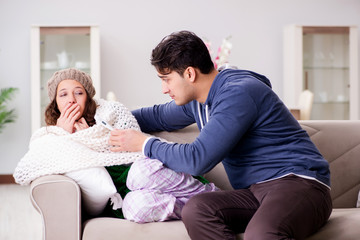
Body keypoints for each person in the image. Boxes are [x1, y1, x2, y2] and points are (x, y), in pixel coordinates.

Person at [109, 31, 332, 240]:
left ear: (189, 73)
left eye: (166, 79)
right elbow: (157, 116)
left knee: (262, 234)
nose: (164, 89)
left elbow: (197, 159)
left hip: (299, 185)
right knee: (198, 209)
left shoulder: (238, 93)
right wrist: (96, 115)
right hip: (255, 192)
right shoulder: (199, 102)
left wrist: (144, 144)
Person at [14, 68, 218, 222]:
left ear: (88, 97)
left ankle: (210, 196)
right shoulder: (50, 136)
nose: (71, 100)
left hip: (143, 171)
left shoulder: (111, 112)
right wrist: (66, 135)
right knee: (135, 208)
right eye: (63, 94)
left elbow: (134, 145)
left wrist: (90, 135)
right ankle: (197, 209)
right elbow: (35, 161)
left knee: (139, 173)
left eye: (78, 92)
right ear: (55, 103)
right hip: (122, 196)